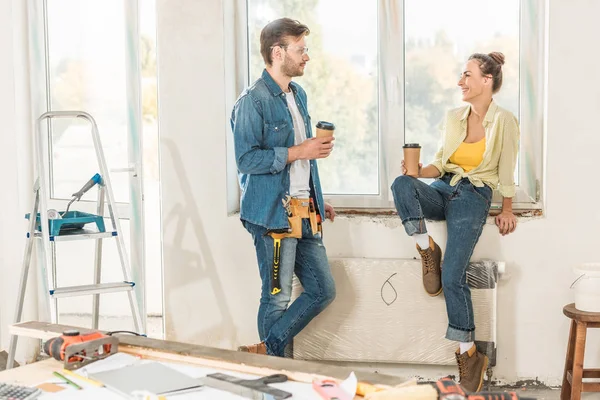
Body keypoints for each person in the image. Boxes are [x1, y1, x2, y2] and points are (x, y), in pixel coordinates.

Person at [391, 52, 519, 391]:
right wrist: (417, 173)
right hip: (443, 189)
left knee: (452, 275)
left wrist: (507, 208)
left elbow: (506, 169)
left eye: (467, 75)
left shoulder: (504, 120)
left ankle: (469, 352)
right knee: (402, 184)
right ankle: (425, 247)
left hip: (473, 197)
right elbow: (441, 164)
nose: (460, 82)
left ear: (487, 81)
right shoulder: (453, 117)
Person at [230, 17, 336, 357]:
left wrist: (319, 199)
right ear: (278, 52)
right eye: (300, 50)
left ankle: (265, 353)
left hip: (305, 213)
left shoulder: (298, 94)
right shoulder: (252, 100)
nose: (306, 56)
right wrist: (298, 151)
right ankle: (276, 384)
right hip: (272, 215)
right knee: (276, 297)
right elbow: (246, 160)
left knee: (323, 290)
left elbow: (304, 159)